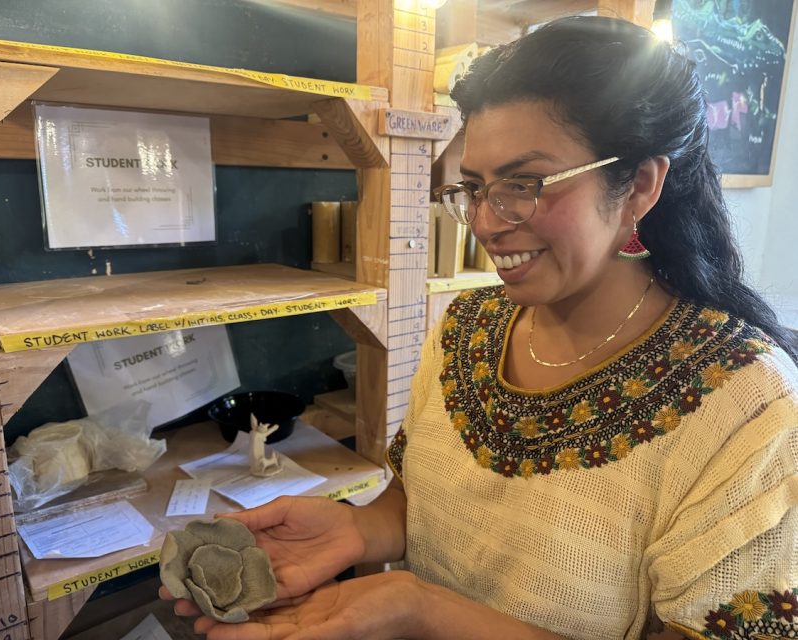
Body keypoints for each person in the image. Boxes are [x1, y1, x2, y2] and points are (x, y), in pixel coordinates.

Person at [162, 15, 798, 639]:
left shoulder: (746, 405)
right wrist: (355, 527)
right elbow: (424, 499)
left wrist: (423, 611)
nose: (488, 222)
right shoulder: (469, 326)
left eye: (524, 183)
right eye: (473, 187)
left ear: (638, 184)